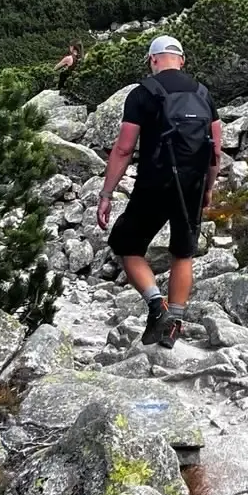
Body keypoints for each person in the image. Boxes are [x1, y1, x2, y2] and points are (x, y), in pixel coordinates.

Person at [96, 35, 222, 348]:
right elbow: (215, 151)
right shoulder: (203, 94)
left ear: (153, 60)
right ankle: (174, 323)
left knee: (127, 246)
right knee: (183, 252)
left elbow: (124, 149)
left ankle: (157, 305)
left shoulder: (143, 93)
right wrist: (208, 189)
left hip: (154, 183)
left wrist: (106, 194)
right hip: (190, 185)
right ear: (182, 59)